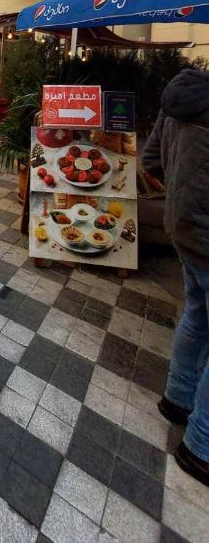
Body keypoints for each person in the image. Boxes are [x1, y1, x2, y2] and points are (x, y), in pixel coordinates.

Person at [142, 67, 209, 487]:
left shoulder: (180, 97)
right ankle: (201, 446)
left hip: (181, 228)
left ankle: (178, 399)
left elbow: (150, 160)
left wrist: (182, 195)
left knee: (197, 315)